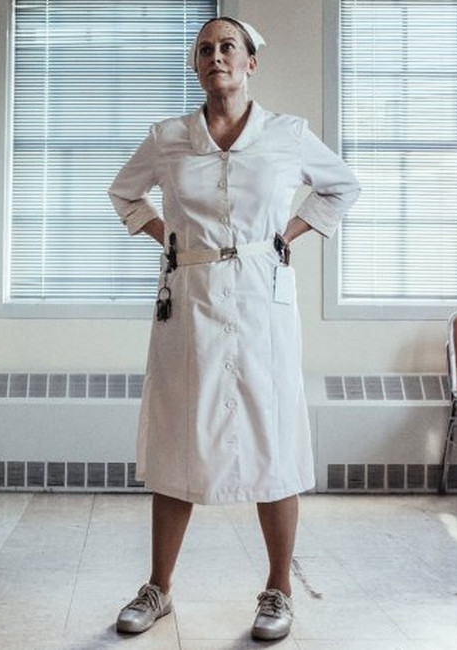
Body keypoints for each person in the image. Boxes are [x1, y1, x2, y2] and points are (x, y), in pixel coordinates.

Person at [108, 16, 360, 641]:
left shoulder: (287, 135)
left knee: (273, 437)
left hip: (261, 301)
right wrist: (168, 237)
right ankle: (159, 588)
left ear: (251, 62)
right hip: (189, 301)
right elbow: (125, 194)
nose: (216, 56)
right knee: (179, 435)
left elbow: (341, 187)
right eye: (205, 49)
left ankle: (278, 590)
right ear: (195, 66)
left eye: (228, 47)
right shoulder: (168, 138)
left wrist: (286, 235)